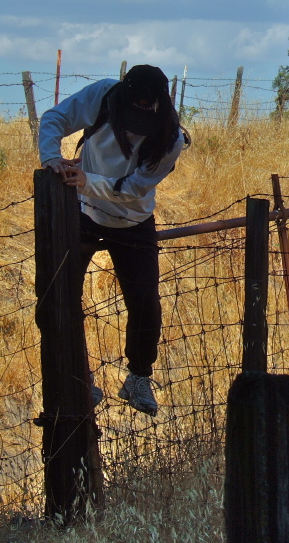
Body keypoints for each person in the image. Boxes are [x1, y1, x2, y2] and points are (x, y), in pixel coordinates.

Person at [38, 64, 189, 417]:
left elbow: (135, 188)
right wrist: (51, 160)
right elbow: (53, 119)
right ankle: (78, 378)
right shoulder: (102, 96)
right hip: (82, 213)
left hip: (133, 219)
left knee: (145, 302)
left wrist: (86, 179)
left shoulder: (171, 139)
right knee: (57, 296)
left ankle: (138, 378)